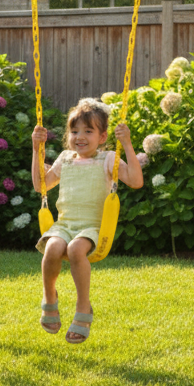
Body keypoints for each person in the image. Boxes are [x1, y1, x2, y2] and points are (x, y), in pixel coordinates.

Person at [32, 97, 144, 343]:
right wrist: (36, 149)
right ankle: (49, 296)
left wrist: (126, 143)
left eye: (88, 131)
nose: (79, 137)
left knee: (75, 249)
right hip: (64, 225)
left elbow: (136, 181)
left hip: (92, 228)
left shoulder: (108, 159)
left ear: (102, 137)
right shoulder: (65, 159)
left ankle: (83, 307)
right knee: (52, 248)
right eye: (74, 131)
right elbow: (41, 185)